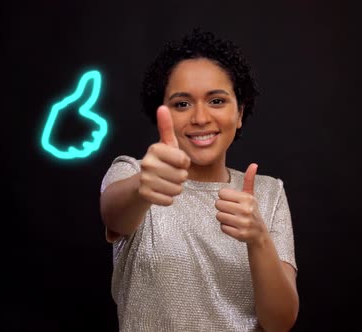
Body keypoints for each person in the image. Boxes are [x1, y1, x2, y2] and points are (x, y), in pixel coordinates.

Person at [99, 28, 298, 331]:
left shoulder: (268, 192)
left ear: (240, 112)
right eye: (182, 104)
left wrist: (258, 239)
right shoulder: (134, 173)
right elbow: (114, 214)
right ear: (161, 113)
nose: (201, 118)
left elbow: (279, 322)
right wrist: (143, 187)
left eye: (216, 101)